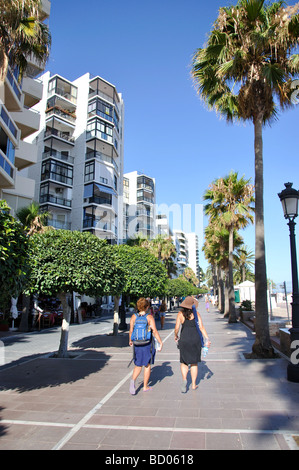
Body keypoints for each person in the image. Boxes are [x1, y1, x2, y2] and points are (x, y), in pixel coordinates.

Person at [174, 296, 210, 392]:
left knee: (184, 362)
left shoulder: (180, 314)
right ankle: (194, 384)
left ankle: (185, 379)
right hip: (195, 339)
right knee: (194, 363)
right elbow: (201, 327)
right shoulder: (196, 314)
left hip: (184, 339)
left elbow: (177, 328)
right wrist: (207, 338)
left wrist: (176, 335)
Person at [129, 297, 163, 394]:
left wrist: (130, 340)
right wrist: (160, 342)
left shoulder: (133, 317)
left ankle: (133, 380)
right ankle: (145, 386)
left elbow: (131, 330)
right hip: (147, 343)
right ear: (147, 307)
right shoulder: (149, 317)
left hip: (137, 343)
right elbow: (155, 331)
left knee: (138, 364)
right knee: (147, 365)